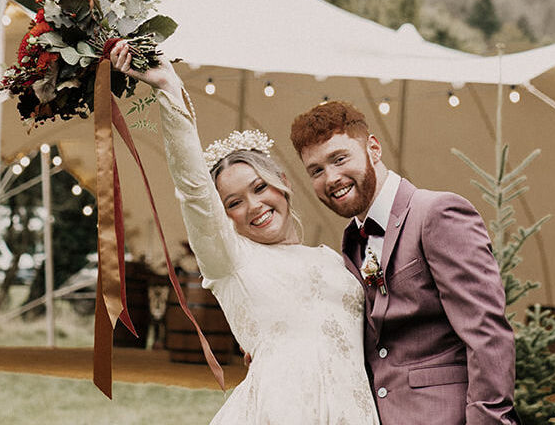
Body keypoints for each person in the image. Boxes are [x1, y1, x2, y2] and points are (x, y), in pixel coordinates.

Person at [109, 44, 379, 424]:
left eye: (259, 187)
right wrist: (169, 89)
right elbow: (194, 191)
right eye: (234, 202)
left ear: (282, 184)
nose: (253, 206)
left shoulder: (332, 258)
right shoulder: (230, 260)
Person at [292, 101, 519, 425]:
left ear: (373, 148)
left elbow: (487, 334)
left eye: (339, 158)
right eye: (316, 170)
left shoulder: (438, 213)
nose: (331, 177)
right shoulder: (352, 240)